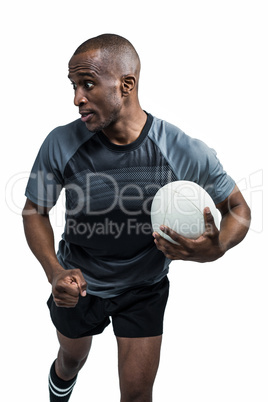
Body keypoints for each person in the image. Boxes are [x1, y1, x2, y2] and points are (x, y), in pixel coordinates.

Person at [22, 33, 251, 402]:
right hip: (80, 285)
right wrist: (54, 271)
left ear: (126, 85)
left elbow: (238, 208)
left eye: (88, 84)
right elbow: (35, 210)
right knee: (70, 361)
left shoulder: (180, 148)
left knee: (138, 393)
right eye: (74, 85)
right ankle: (61, 384)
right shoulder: (61, 143)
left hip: (143, 289)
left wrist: (219, 246)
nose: (77, 98)